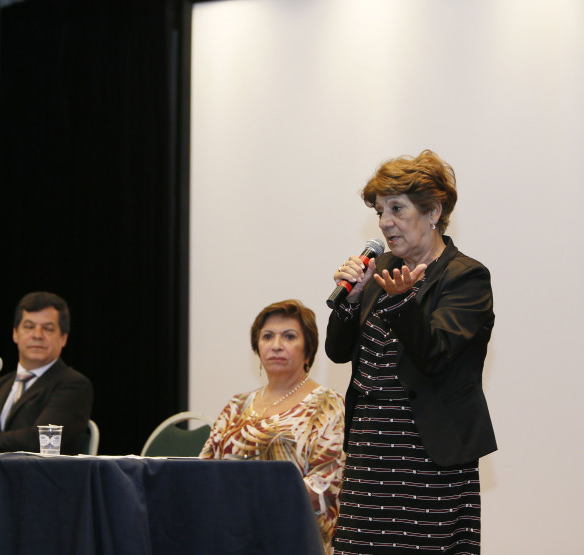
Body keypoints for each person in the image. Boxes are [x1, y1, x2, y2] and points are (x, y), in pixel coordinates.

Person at [325, 150, 496, 553]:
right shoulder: (379, 269)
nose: (385, 222)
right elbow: (336, 352)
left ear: (433, 212)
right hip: (370, 456)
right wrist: (352, 299)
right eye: (380, 211)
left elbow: (435, 356)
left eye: (396, 209)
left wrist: (402, 303)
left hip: (429, 461)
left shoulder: (466, 277)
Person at [201, 299, 345, 553]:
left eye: (289, 337)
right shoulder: (236, 405)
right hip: (231, 538)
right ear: (257, 346)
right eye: (267, 336)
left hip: (295, 539)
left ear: (308, 349)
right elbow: (203, 472)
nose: (276, 346)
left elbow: (325, 483)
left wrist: (249, 505)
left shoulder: (328, 404)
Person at [0, 291, 93, 454]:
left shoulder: (74, 385)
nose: (37, 335)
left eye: (48, 328)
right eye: (29, 326)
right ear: (15, 333)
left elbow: (37, 440)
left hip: (45, 477)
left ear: (63, 338)